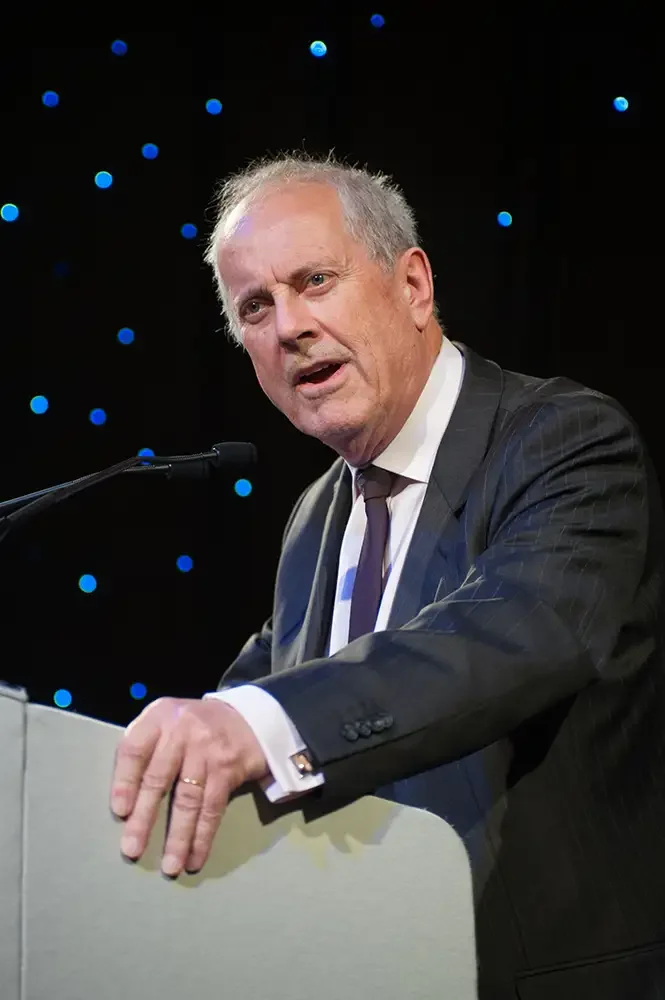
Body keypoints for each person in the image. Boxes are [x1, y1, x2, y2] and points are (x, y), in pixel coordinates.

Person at [110, 153, 665, 998]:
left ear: (412, 286)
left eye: (315, 281)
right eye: (254, 307)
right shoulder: (313, 518)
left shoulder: (564, 443)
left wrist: (254, 723)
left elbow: (507, 634)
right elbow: (252, 702)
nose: (288, 325)